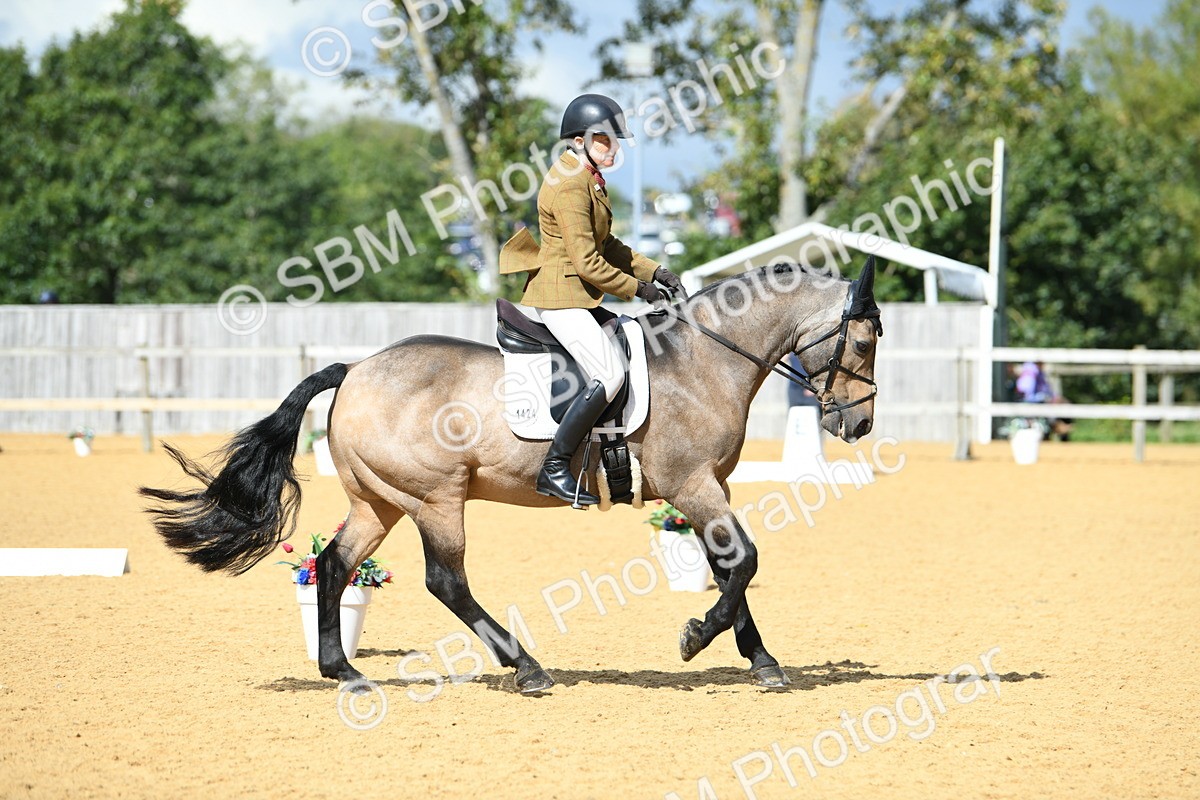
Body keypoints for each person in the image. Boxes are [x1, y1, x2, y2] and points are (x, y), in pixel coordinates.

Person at [500, 93, 687, 505]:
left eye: (614, 140)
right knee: (610, 374)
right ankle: (554, 467)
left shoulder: (584, 176)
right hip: (562, 296)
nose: (614, 147)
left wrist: (655, 270)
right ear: (579, 139)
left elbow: (609, 245)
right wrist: (640, 290)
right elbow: (587, 262)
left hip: (575, 294)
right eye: (605, 139)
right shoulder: (569, 184)